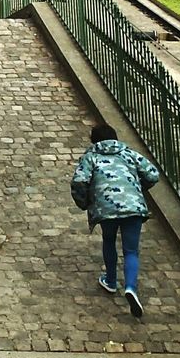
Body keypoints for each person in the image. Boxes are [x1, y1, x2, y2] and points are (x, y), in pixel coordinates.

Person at [71, 123, 161, 318]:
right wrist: (137, 187)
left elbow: (79, 181)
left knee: (109, 240)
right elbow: (152, 174)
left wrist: (85, 202)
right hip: (133, 207)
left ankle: (111, 281)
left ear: (94, 140)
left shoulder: (91, 157)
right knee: (131, 250)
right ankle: (130, 288)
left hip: (106, 209)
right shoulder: (129, 153)